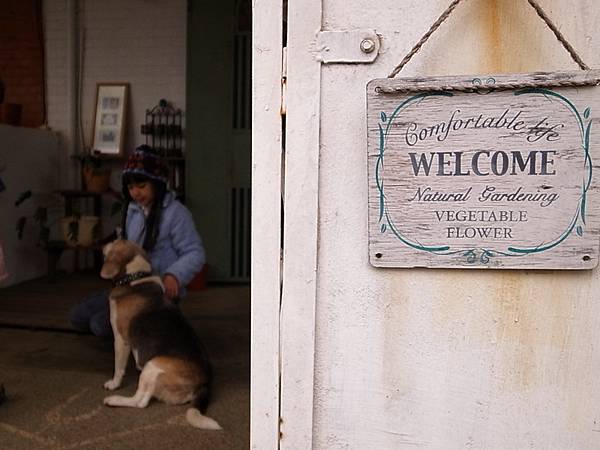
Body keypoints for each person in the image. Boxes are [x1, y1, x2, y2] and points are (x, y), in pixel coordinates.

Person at [70, 145, 205, 337]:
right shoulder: (133, 211)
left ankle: (163, 319)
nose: (136, 193)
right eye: (131, 187)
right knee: (78, 316)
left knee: (99, 325)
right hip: (129, 286)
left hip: (156, 291)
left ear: (157, 183)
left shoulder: (176, 213)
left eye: (141, 186)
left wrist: (174, 275)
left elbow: (195, 252)